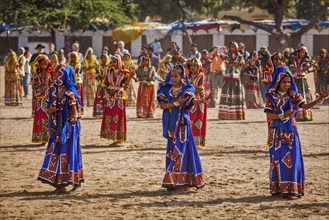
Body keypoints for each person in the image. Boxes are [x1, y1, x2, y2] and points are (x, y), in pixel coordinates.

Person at [264, 65, 327, 198]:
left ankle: (292, 189)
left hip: (291, 132)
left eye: (288, 82)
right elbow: (269, 116)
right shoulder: (271, 96)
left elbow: (304, 106)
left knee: (292, 159)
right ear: (278, 81)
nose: (287, 85)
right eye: (284, 82)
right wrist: (283, 115)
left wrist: (318, 100)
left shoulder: (293, 95)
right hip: (276, 134)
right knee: (278, 160)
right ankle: (279, 188)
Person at [157, 64, 211, 191]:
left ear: (182, 77)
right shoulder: (165, 90)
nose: (173, 78)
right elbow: (163, 106)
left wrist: (204, 99)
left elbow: (193, 102)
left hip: (182, 125)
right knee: (172, 151)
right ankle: (176, 181)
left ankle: (177, 181)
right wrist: (176, 103)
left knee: (180, 151)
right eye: (172, 76)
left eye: (176, 76)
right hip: (170, 125)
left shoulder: (187, 89)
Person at [37, 65, 84, 193]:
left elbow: (75, 113)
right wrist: (49, 110)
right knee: (54, 151)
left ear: (66, 75)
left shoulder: (71, 92)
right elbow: (45, 104)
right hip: (55, 127)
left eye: (60, 72)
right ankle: (60, 182)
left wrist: (66, 128)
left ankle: (64, 184)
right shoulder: (53, 89)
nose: (56, 73)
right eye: (56, 71)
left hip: (68, 128)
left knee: (68, 152)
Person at [100, 54, 130, 145]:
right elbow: (104, 84)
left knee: (118, 117)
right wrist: (108, 91)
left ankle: (119, 139)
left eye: (114, 61)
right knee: (111, 116)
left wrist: (118, 90)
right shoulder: (109, 72)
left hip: (119, 98)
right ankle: (113, 137)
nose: (112, 63)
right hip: (110, 98)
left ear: (119, 62)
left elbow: (125, 85)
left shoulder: (125, 73)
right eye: (112, 61)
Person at [218, 41, 245, 119]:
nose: (232, 48)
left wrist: (241, 64)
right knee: (226, 93)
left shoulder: (240, 56)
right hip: (228, 77)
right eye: (230, 47)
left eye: (233, 47)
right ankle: (225, 114)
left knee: (236, 93)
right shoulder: (226, 56)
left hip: (236, 77)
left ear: (236, 47)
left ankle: (237, 115)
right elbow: (220, 58)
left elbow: (243, 64)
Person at [186, 58, 208, 146]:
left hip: (199, 101)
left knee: (197, 120)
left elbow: (200, 88)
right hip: (188, 100)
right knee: (188, 119)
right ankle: (188, 139)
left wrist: (190, 90)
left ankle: (196, 140)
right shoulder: (187, 76)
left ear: (199, 67)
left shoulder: (201, 76)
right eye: (191, 65)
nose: (193, 67)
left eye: (195, 65)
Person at [32, 56, 53, 143]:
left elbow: (54, 84)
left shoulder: (51, 73)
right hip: (39, 98)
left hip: (48, 97)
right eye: (42, 64)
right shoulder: (37, 74)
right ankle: (41, 137)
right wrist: (37, 85)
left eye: (46, 64)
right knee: (40, 116)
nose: (44, 66)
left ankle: (48, 137)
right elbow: (33, 85)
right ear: (39, 64)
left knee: (47, 116)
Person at [289, 46, 313, 121]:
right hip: (295, 80)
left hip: (303, 80)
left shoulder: (305, 61)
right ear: (298, 52)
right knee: (296, 95)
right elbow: (290, 68)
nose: (302, 54)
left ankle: (305, 114)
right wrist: (298, 69)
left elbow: (306, 69)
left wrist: (308, 66)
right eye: (301, 52)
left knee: (304, 97)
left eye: (304, 53)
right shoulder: (293, 59)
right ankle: (296, 114)